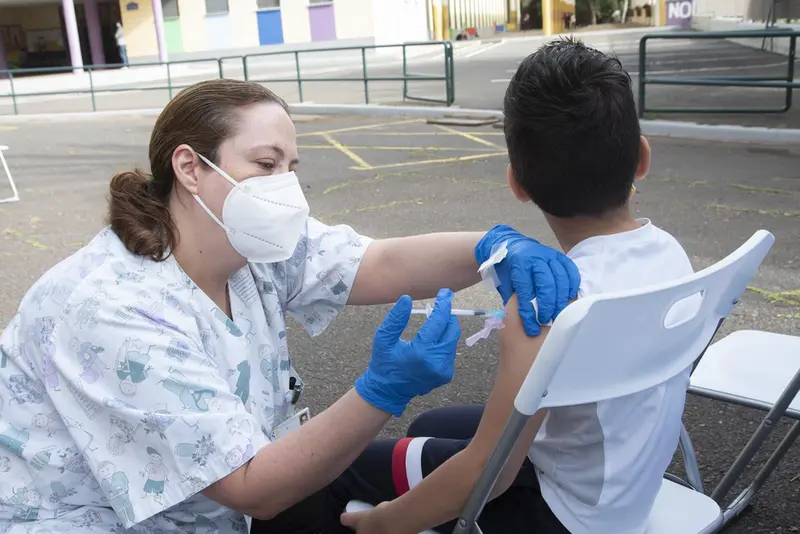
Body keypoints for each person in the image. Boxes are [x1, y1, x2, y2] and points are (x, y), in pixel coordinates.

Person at [0, 78, 579, 533]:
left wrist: (491, 248)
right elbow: (251, 486)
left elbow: (377, 262)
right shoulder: (110, 308)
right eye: (265, 164)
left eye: (290, 167)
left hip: (232, 500)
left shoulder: (249, 245)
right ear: (190, 168)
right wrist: (383, 390)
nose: (285, 187)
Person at [338, 37, 695, 534]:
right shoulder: (671, 254)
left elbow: (490, 473)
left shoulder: (543, 308)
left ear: (517, 184)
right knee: (429, 426)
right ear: (641, 157)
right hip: (625, 483)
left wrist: (381, 524)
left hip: (560, 514)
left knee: (343, 471)